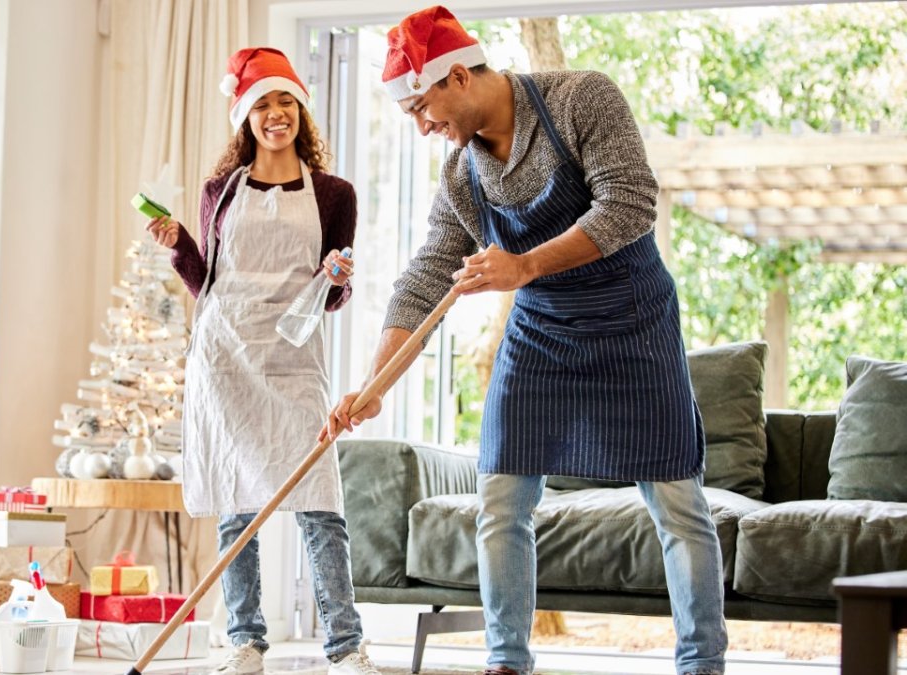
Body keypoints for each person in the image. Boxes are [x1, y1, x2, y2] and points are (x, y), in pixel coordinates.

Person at [321, 7, 727, 675]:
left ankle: (702, 661)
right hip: (540, 335)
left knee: (678, 502)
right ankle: (506, 661)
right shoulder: (462, 175)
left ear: (456, 75)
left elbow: (629, 202)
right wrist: (373, 387)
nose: (425, 128)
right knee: (502, 496)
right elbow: (426, 276)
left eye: (423, 108)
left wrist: (525, 265)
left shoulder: (581, 99)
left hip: (632, 321)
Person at [147, 47, 379, 675]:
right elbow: (208, 283)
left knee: (320, 504)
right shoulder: (218, 192)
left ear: (300, 112)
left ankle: (345, 645)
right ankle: (245, 641)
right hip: (226, 358)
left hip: (295, 360)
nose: (275, 114)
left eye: (286, 102)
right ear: (244, 118)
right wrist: (179, 248)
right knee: (238, 504)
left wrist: (338, 276)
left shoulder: (334, 195)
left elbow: (333, 297)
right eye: (262, 105)